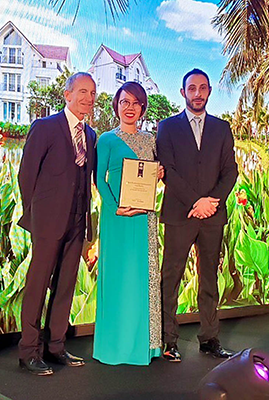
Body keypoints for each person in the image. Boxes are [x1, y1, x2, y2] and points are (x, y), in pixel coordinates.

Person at [17, 72, 97, 376]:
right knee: (37, 285)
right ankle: (29, 351)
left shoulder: (91, 136)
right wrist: (36, 216)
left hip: (77, 222)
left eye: (92, 93)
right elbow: (27, 175)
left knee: (65, 286)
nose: (88, 98)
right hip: (48, 222)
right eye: (82, 91)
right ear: (67, 94)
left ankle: (55, 346)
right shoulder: (45, 127)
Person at [157, 68, 238, 362]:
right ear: (183, 93)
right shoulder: (167, 127)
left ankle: (210, 339)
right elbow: (168, 171)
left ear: (209, 91)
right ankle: (168, 341)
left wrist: (211, 202)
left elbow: (231, 171)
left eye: (203, 88)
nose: (197, 93)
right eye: (192, 88)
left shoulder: (222, 128)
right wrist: (196, 202)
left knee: (209, 279)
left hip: (212, 216)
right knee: (171, 278)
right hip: (180, 214)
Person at [93, 81, 164, 365]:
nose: (130, 108)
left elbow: (152, 174)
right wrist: (115, 208)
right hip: (116, 218)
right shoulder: (106, 139)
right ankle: (114, 347)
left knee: (142, 277)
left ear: (143, 107)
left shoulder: (150, 140)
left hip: (144, 218)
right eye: (125, 102)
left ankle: (144, 347)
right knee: (117, 278)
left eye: (136, 103)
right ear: (117, 106)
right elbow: (99, 180)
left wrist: (159, 172)